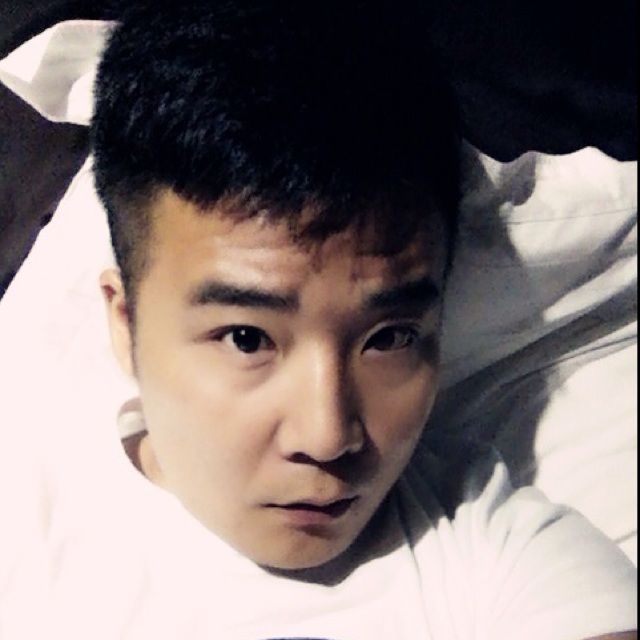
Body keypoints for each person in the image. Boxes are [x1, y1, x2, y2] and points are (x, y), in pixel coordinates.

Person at [7, 1, 634, 638]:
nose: (328, 437)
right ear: (125, 323)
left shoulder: (499, 551)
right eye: (247, 338)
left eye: (390, 338)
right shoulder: (23, 527)